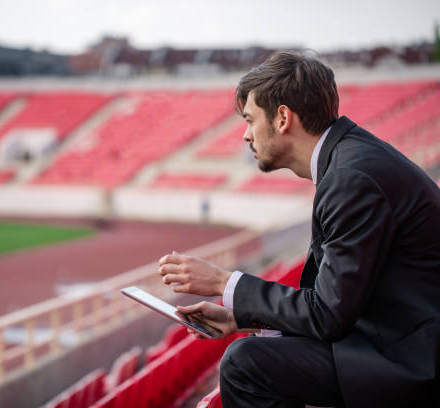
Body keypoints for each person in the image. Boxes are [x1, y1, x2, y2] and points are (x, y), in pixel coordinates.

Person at [158, 52, 440, 407]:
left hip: (410, 361)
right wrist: (238, 318)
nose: (245, 136)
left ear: (282, 118)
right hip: (398, 339)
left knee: (245, 364)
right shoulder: (351, 161)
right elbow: (336, 304)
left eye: (249, 120)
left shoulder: (350, 179)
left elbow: (328, 314)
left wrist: (222, 283)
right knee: (253, 353)